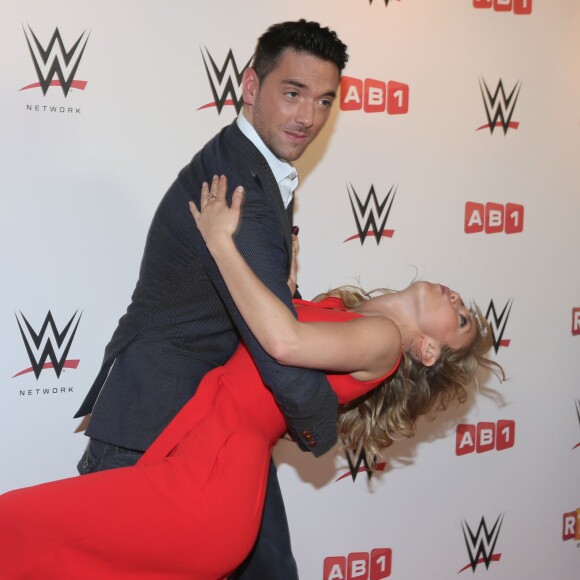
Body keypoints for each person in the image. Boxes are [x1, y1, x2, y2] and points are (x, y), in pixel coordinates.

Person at [0, 176, 502, 578]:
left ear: (429, 350)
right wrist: (281, 272)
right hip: (197, 462)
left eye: (461, 320)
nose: (457, 300)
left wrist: (221, 243)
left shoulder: (386, 343)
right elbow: (275, 334)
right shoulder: (347, 315)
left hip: (208, 491)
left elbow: (281, 342)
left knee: (18, 529)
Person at [73, 20, 348, 578]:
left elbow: (265, 309)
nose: (308, 119)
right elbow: (279, 344)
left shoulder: (258, 169)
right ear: (251, 86)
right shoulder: (237, 185)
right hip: (153, 431)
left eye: (323, 101)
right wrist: (332, 423)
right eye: (292, 94)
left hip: (210, 428)